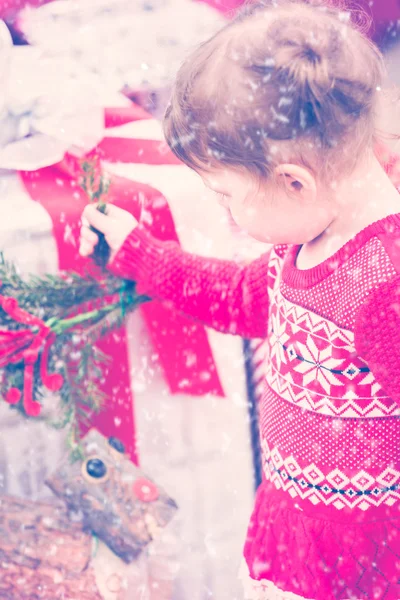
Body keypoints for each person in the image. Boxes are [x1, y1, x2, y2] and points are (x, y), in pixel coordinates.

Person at [80, 0, 400, 598]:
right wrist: (140, 254)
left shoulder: (384, 286)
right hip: (294, 539)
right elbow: (238, 297)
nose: (225, 213)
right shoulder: (309, 237)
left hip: (362, 570)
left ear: (293, 180)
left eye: (228, 197)